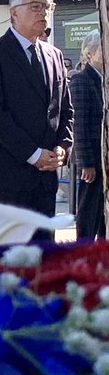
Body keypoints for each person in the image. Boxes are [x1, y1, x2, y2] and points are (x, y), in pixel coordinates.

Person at [0, 0, 72, 218]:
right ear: (13, 12)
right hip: (7, 176)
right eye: (35, 6)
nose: (43, 13)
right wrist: (33, 154)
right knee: (8, 252)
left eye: (48, 7)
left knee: (43, 252)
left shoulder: (53, 55)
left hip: (45, 179)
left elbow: (65, 108)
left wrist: (62, 147)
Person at [70, 31, 104, 239]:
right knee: (89, 209)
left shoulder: (103, 79)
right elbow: (79, 124)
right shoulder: (82, 80)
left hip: (104, 155)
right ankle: (83, 250)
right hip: (92, 158)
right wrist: (86, 163)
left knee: (101, 212)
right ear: (89, 54)